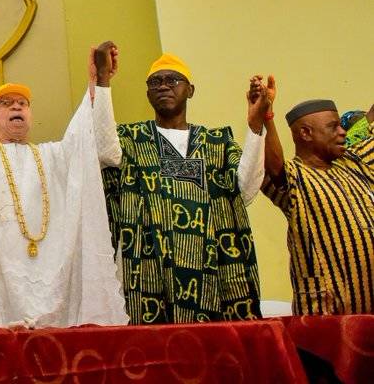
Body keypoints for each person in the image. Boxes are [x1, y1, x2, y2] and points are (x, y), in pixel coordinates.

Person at [0, 42, 127, 329]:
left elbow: (88, 141)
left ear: (30, 115)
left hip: (52, 283)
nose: (16, 106)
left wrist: (100, 82)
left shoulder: (53, 156)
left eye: (23, 104)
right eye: (6, 103)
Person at [97, 50, 269, 324]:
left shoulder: (217, 143)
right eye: (155, 82)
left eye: (173, 80)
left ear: (190, 90)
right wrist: (103, 79)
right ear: (148, 93)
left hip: (215, 274)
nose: (163, 86)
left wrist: (255, 126)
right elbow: (105, 150)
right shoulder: (132, 139)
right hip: (151, 276)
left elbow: (245, 190)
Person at [261, 84, 373, 315]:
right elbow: (273, 168)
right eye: (333, 127)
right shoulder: (294, 178)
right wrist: (266, 117)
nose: (343, 132)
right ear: (306, 133)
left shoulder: (355, 162)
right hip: (325, 315)